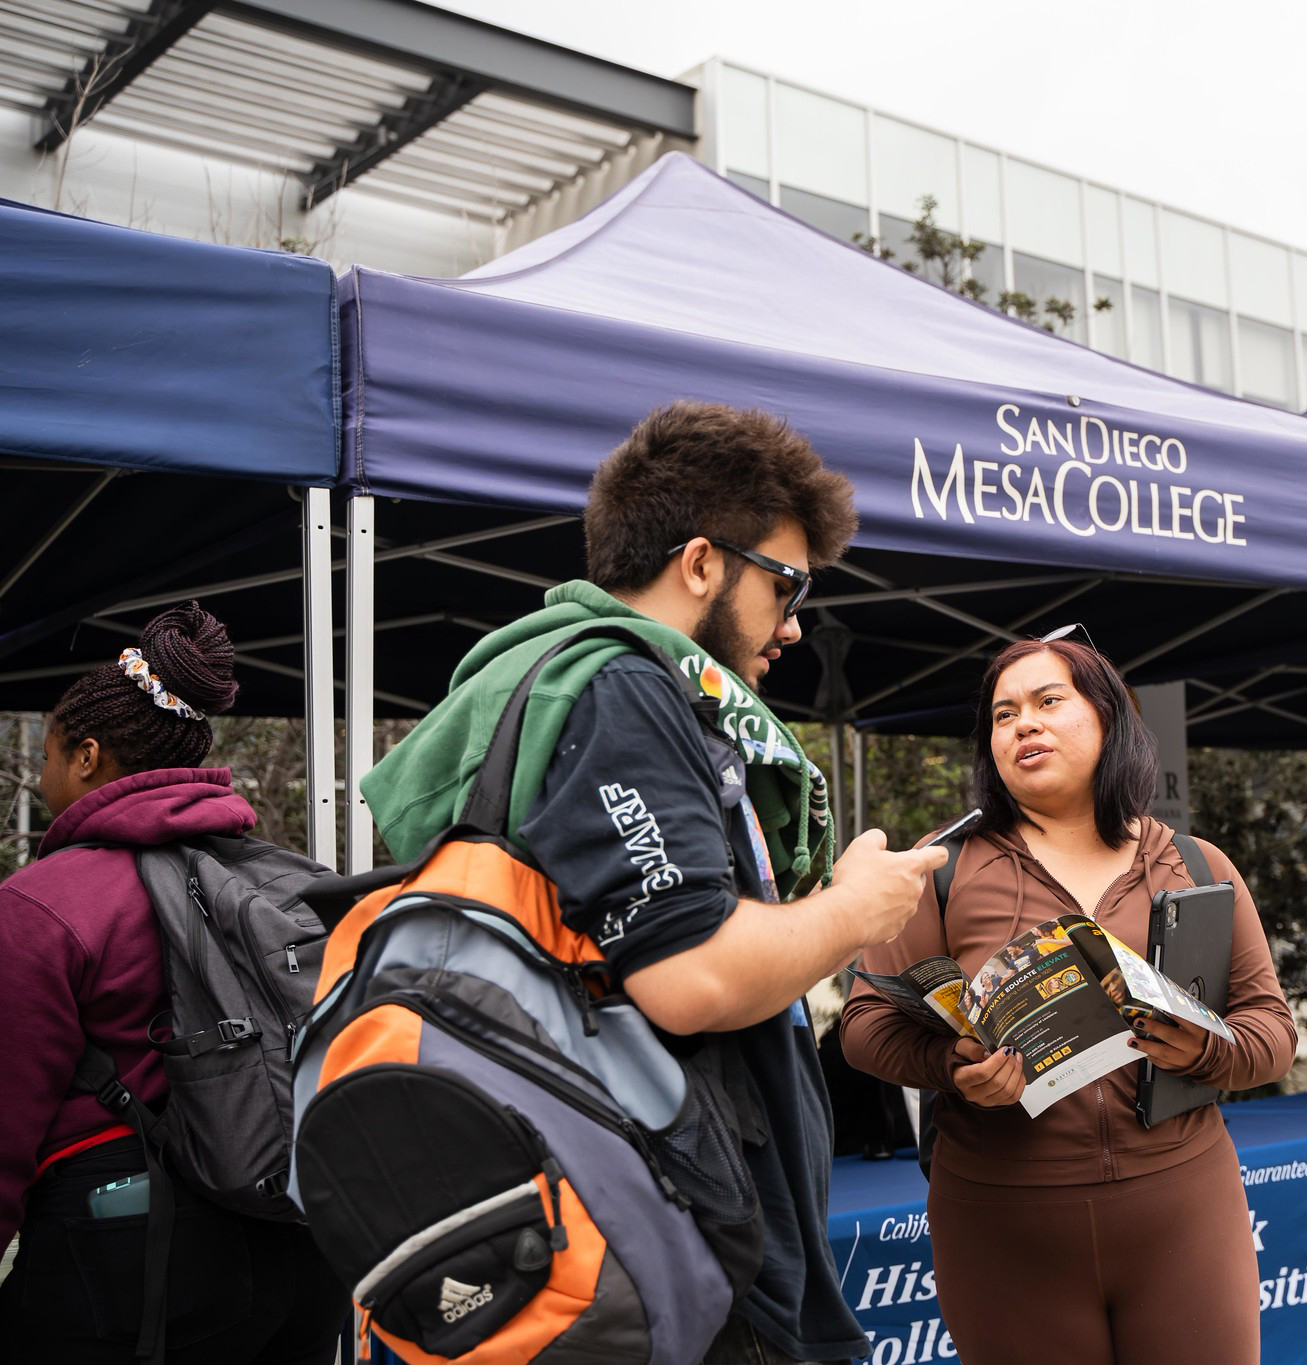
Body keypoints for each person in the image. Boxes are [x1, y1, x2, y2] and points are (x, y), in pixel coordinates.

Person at [362, 400, 947, 1365]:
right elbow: (692, 975)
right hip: (682, 1255)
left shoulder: (540, 684)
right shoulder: (622, 690)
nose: (793, 627)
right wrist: (853, 907)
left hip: (591, 1234)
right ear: (703, 562)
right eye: (786, 585)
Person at [841, 630, 1298, 1365]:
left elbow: (1272, 1028)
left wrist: (1210, 1048)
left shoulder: (1195, 863)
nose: (1022, 723)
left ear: (1109, 717)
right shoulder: (938, 868)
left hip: (1183, 1208)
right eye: (1002, 713)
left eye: (1048, 701)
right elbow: (862, 1025)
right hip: (1001, 1221)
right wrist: (950, 1066)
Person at [0, 602, 346, 1364]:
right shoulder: (280, 879)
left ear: (86, 756)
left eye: (53, 753)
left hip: (122, 1264)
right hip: (301, 1250)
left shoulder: (42, 905)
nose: (51, 772)